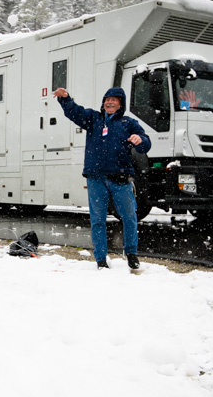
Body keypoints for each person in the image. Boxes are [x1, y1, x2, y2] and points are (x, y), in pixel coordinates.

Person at [53, 86, 151, 270]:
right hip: (96, 178)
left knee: (129, 217)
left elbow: (145, 142)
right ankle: (100, 259)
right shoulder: (93, 119)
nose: (110, 102)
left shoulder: (128, 123)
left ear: (120, 104)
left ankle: (131, 254)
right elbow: (75, 112)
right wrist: (65, 99)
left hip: (120, 178)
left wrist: (140, 140)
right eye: (107, 99)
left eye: (114, 99)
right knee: (97, 219)